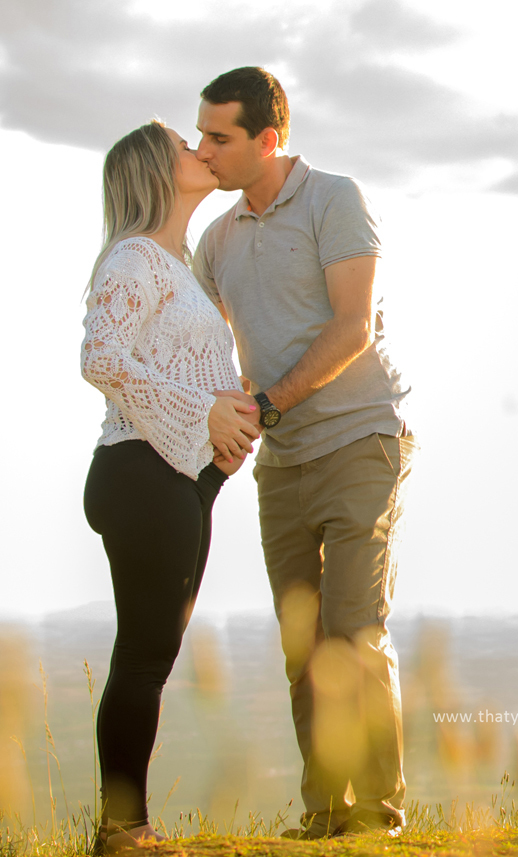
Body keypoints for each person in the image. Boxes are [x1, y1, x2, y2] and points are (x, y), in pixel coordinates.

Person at [192, 67, 415, 839]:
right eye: (200, 134)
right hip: (280, 465)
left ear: (268, 139)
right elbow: (204, 349)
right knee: (305, 644)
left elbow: (353, 326)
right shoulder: (215, 241)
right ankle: (325, 812)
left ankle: (379, 811)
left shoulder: (335, 199)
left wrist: (268, 401)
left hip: (360, 442)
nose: (204, 150)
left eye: (218, 138)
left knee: (354, 631)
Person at [81, 120, 261, 853]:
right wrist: (204, 412)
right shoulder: (134, 258)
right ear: (158, 170)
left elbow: (183, 370)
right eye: (185, 145)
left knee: (150, 655)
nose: (201, 149)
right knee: (144, 655)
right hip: (140, 473)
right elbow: (100, 357)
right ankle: (122, 830)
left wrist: (235, 410)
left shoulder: (176, 265)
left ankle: (127, 825)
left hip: (179, 480)